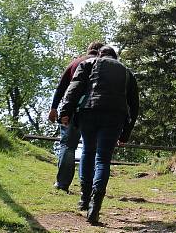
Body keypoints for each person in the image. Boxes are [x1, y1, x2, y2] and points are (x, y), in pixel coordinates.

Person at [59, 45, 139, 224]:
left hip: (89, 111)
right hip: (115, 116)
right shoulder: (127, 73)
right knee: (103, 159)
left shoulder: (88, 64)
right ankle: (95, 206)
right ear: (115, 58)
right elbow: (134, 106)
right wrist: (126, 133)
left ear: (100, 54)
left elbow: (75, 87)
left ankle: (84, 198)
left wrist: (65, 111)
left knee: (88, 152)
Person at [48, 41, 103, 192]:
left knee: (68, 145)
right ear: (100, 51)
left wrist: (54, 108)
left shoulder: (75, 63)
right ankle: (87, 186)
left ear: (88, 49)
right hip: (95, 111)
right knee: (90, 148)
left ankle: (62, 183)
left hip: (72, 111)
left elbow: (62, 87)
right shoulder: (104, 65)